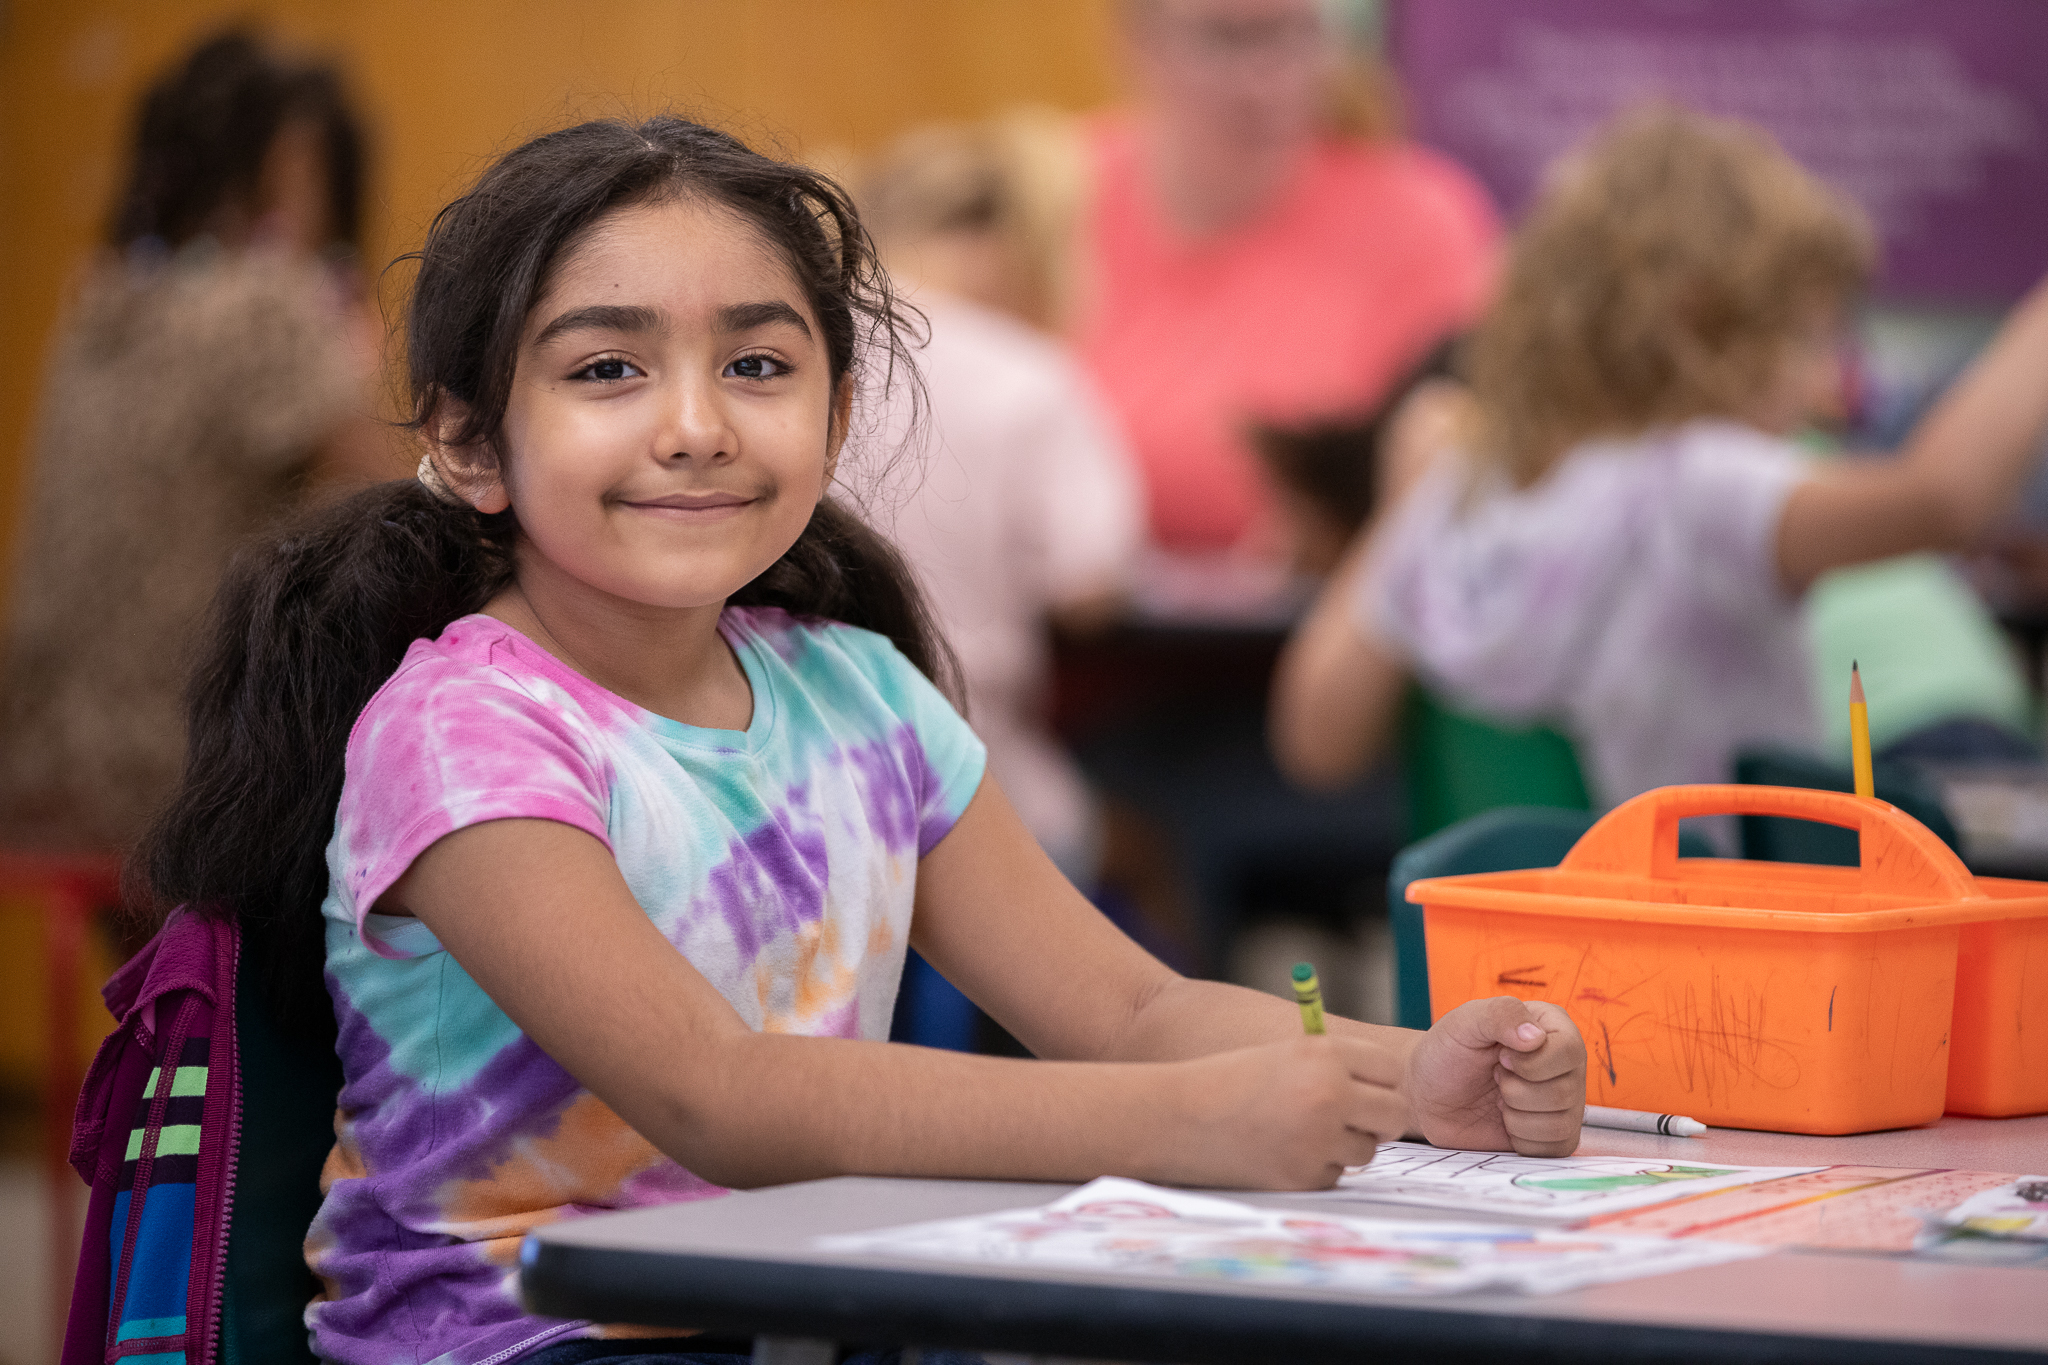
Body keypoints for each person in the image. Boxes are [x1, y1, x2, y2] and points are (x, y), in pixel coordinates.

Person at [130, 115, 1587, 1365]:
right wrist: (1174, 1123)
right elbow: (726, 1096)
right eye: (606, 371)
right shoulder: (462, 734)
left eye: (759, 366)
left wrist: (1419, 1085)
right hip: (535, 1337)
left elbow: (1134, 1012)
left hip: (814, 1311)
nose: (697, 426)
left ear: (832, 418)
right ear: (467, 444)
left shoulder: (861, 695)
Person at [1272, 108, 2048, 812]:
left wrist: (1416, 495)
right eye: (1803, 339)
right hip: (1720, 941)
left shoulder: (1464, 488)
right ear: (1700, 321)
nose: (1820, 384)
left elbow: (1313, 741)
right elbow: (1945, 498)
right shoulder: (1697, 486)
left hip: (1506, 941)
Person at [0, 28, 389, 852]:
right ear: (283, 165)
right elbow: (410, 492)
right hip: (177, 768)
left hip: (38, 764)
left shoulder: (103, 302)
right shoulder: (269, 301)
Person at [1078, 0, 1499, 561]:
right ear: (1138, 41)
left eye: (1295, 35)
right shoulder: (1057, 191)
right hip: (1062, 624)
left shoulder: (1421, 222)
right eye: (1225, 39)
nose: (1263, 81)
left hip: (1299, 622)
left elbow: (1469, 472)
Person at [856, 113, 1143, 887]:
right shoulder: (1032, 379)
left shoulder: (789, 356)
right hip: (971, 777)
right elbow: (1089, 590)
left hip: (791, 773)